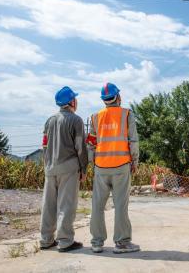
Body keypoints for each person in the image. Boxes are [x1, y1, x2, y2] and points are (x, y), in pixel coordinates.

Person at [87, 82, 140, 254]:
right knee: (120, 206)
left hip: (101, 168)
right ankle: (122, 243)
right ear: (118, 97)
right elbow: (133, 141)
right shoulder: (127, 114)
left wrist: (92, 164)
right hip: (121, 166)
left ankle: (96, 242)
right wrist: (135, 162)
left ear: (104, 100)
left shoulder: (95, 117)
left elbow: (91, 144)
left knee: (97, 206)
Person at [40, 86, 88, 252]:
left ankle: (46, 240)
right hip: (69, 168)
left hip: (50, 168)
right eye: (75, 98)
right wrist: (84, 169)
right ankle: (65, 241)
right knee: (66, 205)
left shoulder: (49, 120)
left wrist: (47, 165)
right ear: (71, 101)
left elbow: (44, 146)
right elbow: (80, 147)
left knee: (48, 205)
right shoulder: (76, 120)